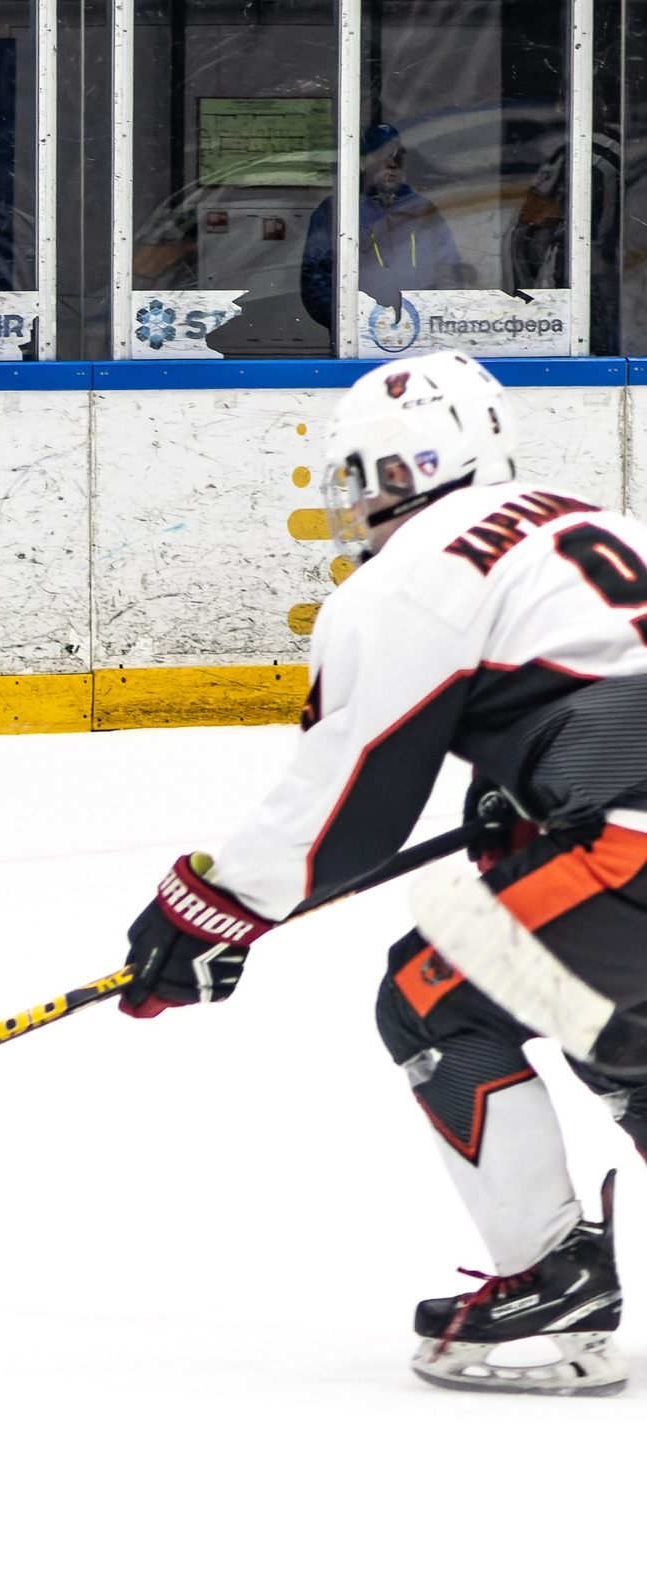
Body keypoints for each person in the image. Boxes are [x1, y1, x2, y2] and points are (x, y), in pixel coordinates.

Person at [116, 348, 647, 1394]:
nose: (358, 503)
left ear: (399, 470)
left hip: (630, 841)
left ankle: (551, 1287)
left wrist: (204, 911)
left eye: (364, 478)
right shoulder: (589, 521)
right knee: (607, 1015)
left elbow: (346, 809)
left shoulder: (411, 576)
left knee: (432, 993)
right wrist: (523, 806)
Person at [300, 124, 464, 332]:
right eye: (383, 156)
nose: (392, 165)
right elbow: (315, 280)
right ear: (362, 162)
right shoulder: (338, 210)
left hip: (421, 336)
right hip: (358, 339)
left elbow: (449, 270)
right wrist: (349, 323)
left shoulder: (423, 209)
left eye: (398, 158)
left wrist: (433, 319)